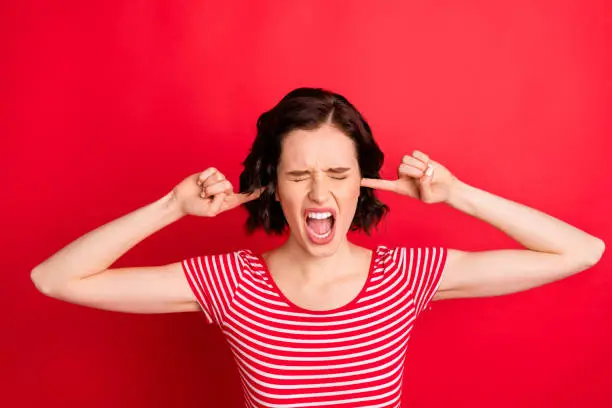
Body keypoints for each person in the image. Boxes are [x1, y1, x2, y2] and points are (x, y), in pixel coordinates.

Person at [31, 87, 605, 408]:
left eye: (338, 172)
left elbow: (581, 251)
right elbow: (55, 280)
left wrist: (458, 196)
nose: (320, 193)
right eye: (298, 175)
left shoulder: (406, 275)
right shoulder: (230, 283)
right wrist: (169, 209)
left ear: (363, 182)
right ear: (272, 185)